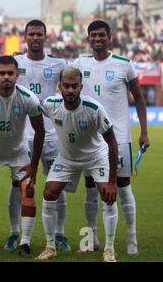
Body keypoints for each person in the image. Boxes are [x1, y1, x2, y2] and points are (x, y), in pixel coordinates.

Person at [71, 20, 149, 255]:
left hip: (119, 138)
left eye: (101, 35)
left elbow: (139, 98)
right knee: (91, 189)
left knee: (123, 188)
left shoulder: (124, 65)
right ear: (88, 38)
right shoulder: (79, 63)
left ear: (109, 37)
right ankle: (91, 238)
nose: (97, 39)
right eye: (93, 35)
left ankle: (132, 239)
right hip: (90, 140)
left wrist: (144, 132)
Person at [36, 67, 119, 262]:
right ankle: (50, 247)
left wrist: (112, 181)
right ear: (60, 87)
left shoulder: (94, 109)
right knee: (49, 193)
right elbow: (30, 105)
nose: (70, 90)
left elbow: (112, 142)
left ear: (81, 87)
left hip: (96, 156)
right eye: (66, 86)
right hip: (67, 158)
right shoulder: (50, 105)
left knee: (107, 196)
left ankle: (109, 249)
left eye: (74, 86)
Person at [0, 55, 44, 257]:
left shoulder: (28, 97)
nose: (6, 77)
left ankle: (25, 243)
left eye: (10, 73)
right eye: (2, 73)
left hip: (18, 151)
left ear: (17, 75)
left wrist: (34, 167)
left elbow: (40, 131)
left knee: (28, 193)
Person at [9, 20, 70, 252]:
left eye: (39, 34)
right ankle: (15, 233)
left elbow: (75, 80)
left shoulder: (58, 64)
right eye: (31, 34)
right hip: (23, 135)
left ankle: (60, 234)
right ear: (25, 37)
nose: (35, 38)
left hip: (53, 135)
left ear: (46, 37)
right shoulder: (16, 62)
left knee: (57, 185)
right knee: (18, 185)